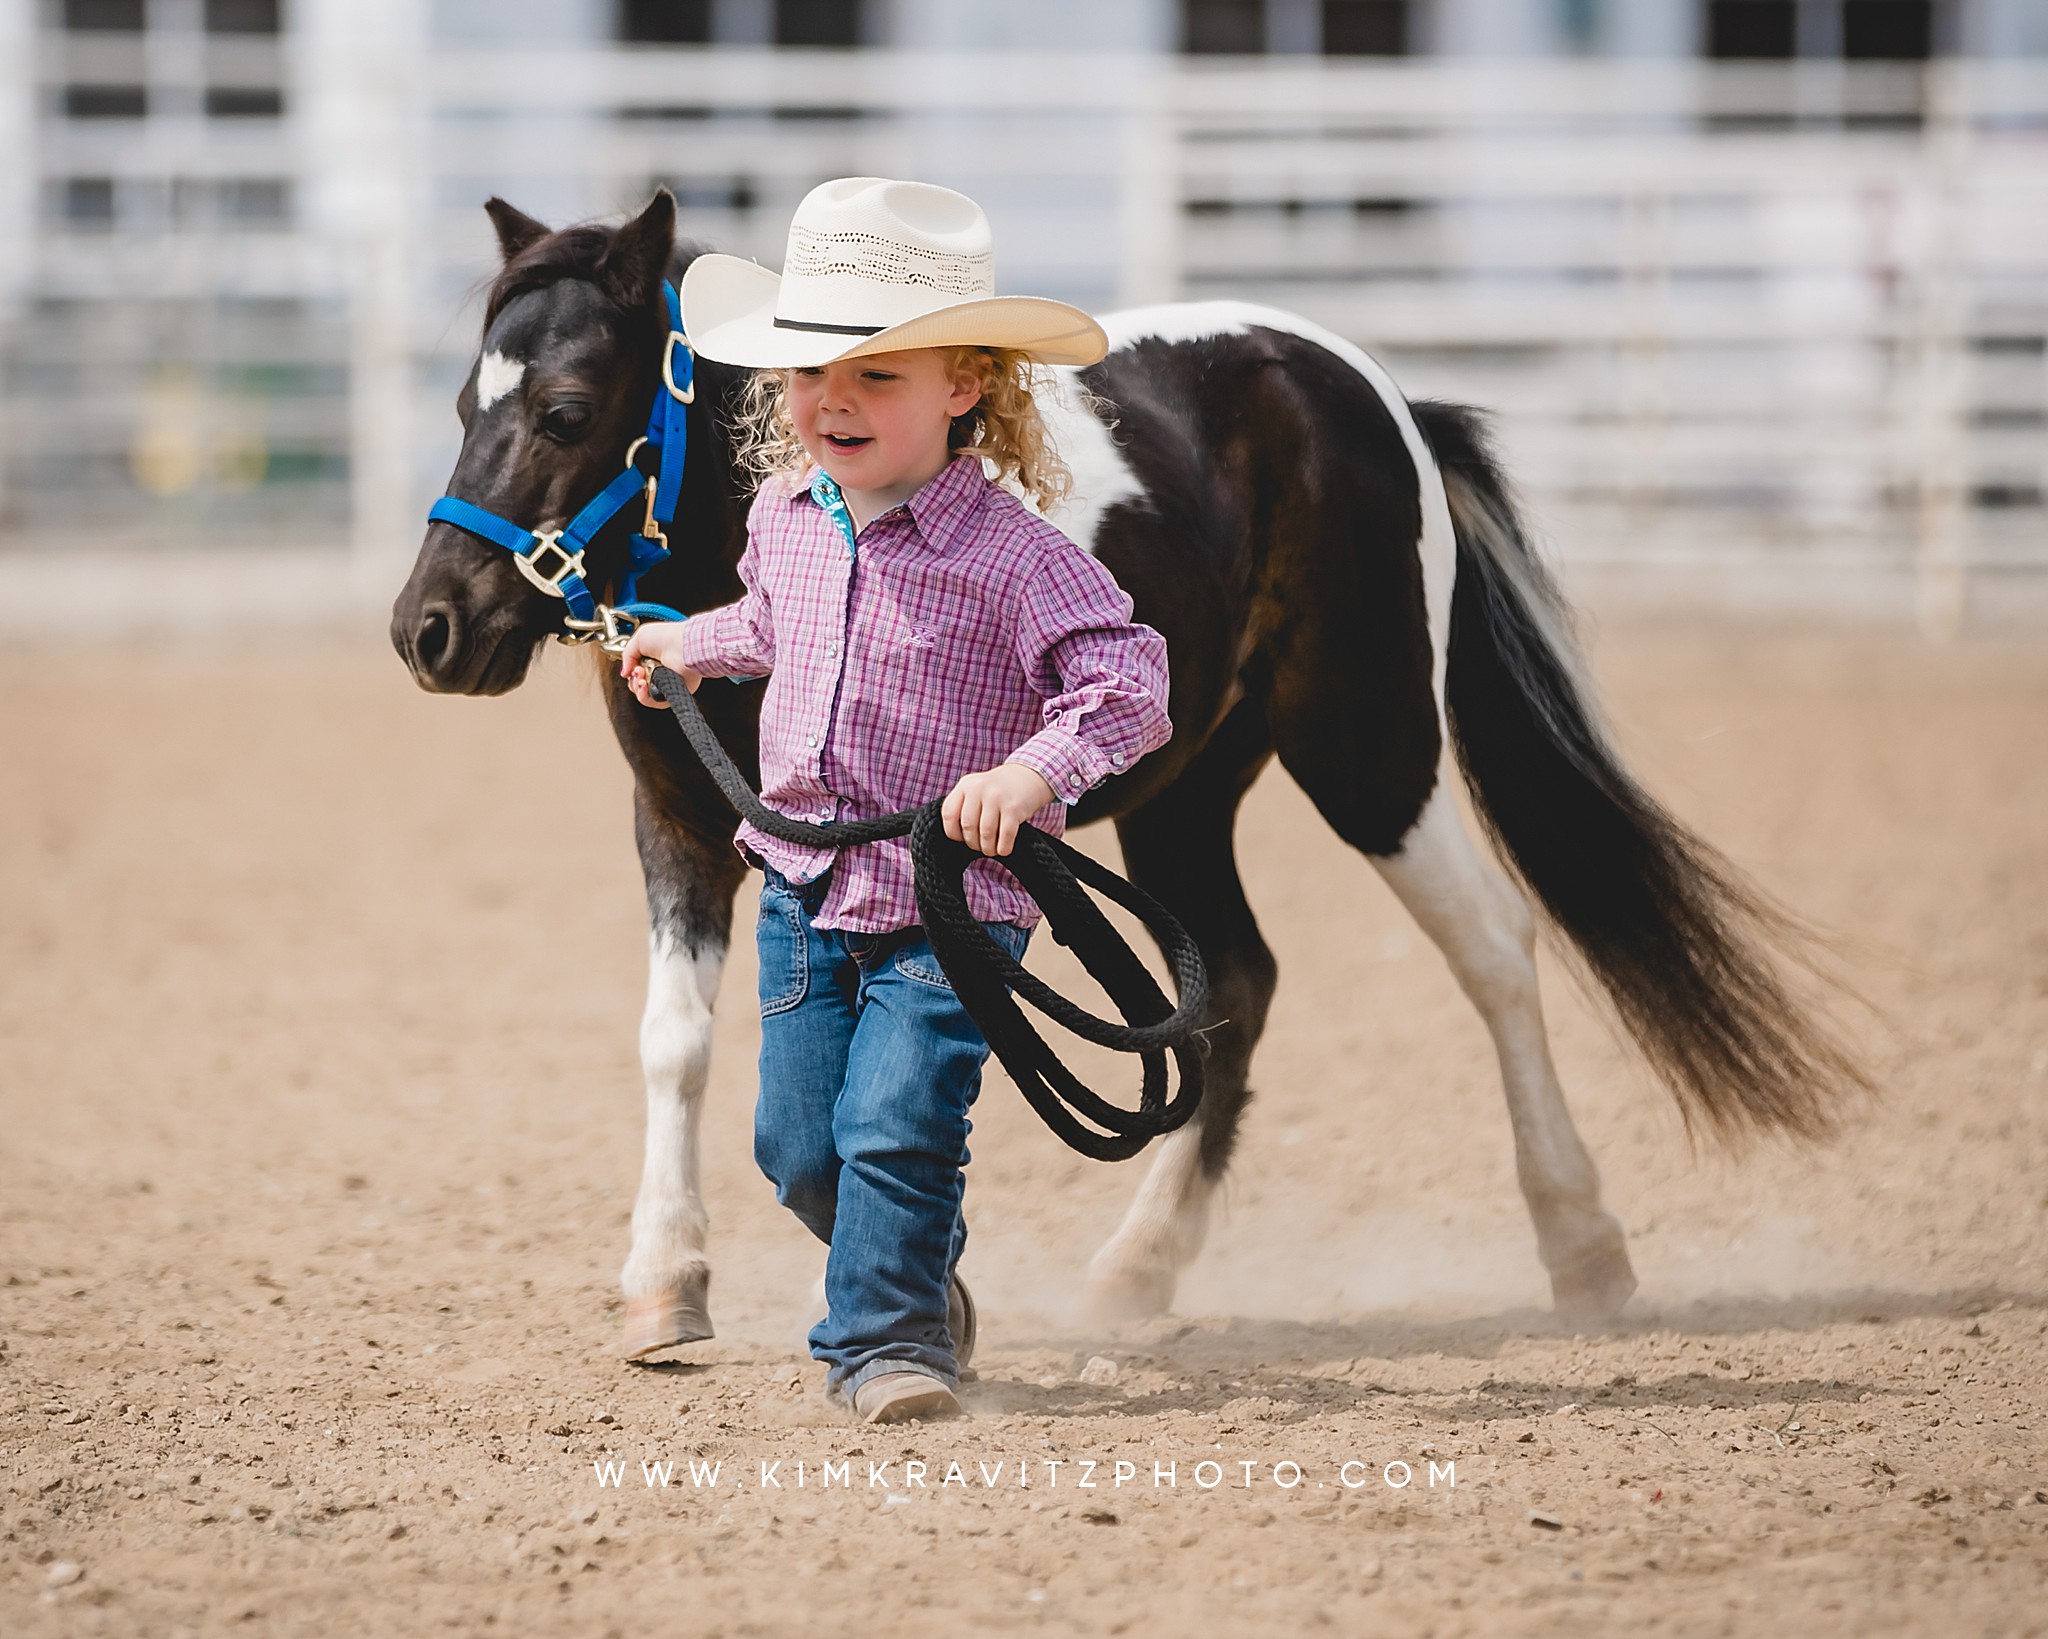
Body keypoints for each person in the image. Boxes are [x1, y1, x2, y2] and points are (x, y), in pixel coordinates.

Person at [618, 178, 1172, 1424]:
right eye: (811, 373)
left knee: (892, 1127)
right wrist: (691, 642)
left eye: (877, 376)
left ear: (962, 387)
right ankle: (914, 1282)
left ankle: (883, 1347)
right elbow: (773, 623)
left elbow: (1130, 678)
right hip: (804, 888)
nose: (831, 401)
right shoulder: (782, 517)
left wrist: (1034, 771)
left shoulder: (1017, 552)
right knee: (795, 1147)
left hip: (950, 899)